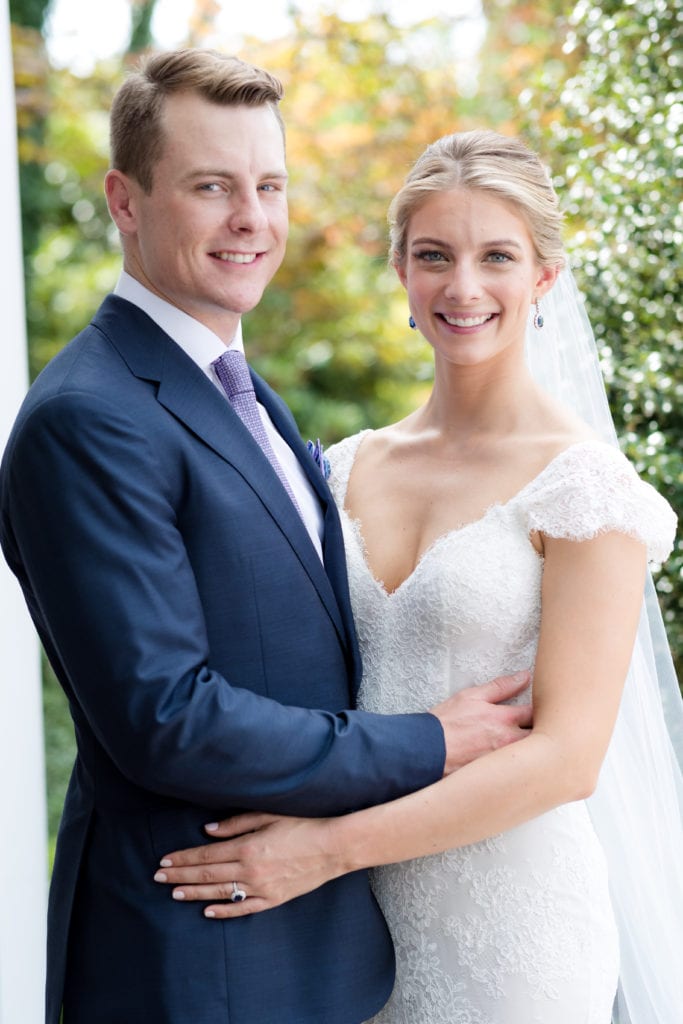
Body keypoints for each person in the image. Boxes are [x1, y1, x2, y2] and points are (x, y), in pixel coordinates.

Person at [0, 58, 536, 1024]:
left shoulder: (243, 394)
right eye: (212, 187)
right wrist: (426, 742)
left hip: (315, 946)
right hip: (191, 955)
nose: (252, 218)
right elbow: (166, 717)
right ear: (125, 199)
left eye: (269, 186)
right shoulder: (90, 418)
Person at [154, 131, 683, 1024]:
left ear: (544, 279)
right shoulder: (339, 469)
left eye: (496, 257)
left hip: (512, 929)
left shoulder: (584, 486)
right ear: (399, 268)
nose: (462, 286)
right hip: (341, 931)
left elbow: (566, 759)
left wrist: (324, 850)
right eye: (433, 255)